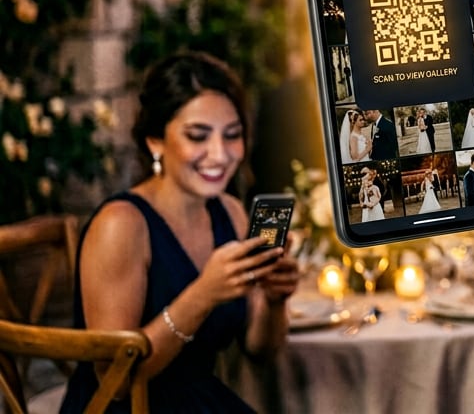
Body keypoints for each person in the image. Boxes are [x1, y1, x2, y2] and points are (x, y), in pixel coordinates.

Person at [61, 52, 297, 413]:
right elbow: (116, 382)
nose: (219, 154)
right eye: (198, 136)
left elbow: (259, 350)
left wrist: (275, 299)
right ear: (155, 141)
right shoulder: (121, 224)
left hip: (199, 401)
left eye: (232, 136)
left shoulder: (230, 214)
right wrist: (202, 294)